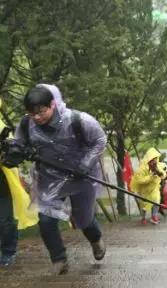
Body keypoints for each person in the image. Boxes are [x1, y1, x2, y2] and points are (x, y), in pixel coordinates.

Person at [14, 85, 107, 274]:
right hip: (49, 178)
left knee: (83, 218)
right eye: (32, 114)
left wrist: (86, 163)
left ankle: (96, 240)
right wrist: (15, 153)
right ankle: (59, 258)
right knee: (46, 220)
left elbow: (100, 140)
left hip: (80, 176)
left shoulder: (78, 120)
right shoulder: (26, 125)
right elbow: (19, 145)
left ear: (52, 105)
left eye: (41, 112)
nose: (37, 117)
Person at [0, 98, 38, 267]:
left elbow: (13, 153)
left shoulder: (1, 127)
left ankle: (8, 252)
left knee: (6, 220)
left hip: (2, 181)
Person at [130, 148, 166, 225]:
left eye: (155, 159)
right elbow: (140, 180)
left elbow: (163, 175)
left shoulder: (157, 166)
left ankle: (154, 216)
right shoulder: (142, 169)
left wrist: (160, 173)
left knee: (156, 200)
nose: (154, 161)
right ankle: (143, 218)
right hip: (143, 190)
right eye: (152, 159)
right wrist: (151, 177)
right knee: (144, 204)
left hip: (154, 189)